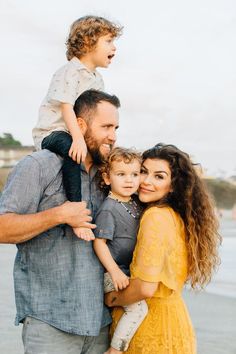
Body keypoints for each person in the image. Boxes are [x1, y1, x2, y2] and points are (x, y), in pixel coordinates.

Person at [0, 89, 120, 354]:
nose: (112, 135)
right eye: (106, 127)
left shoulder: (110, 176)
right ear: (80, 125)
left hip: (100, 325)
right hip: (50, 323)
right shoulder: (38, 166)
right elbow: (2, 228)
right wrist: (59, 215)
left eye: (116, 127)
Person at [105, 143, 221, 354]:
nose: (146, 181)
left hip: (150, 329)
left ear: (174, 185)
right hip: (175, 322)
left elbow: (145, 288)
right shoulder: (177, 216)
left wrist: (112, 299)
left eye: (159, 176)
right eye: (143, 172)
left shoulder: (155, 217)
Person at [32, 16, 122, 240]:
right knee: (74, 152)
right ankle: (75, 211)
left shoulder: (97, 79)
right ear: (89, 42)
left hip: (77, 131)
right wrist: (78, 138)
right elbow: (66, 107)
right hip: (52, 131)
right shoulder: (69, 71)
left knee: (106, 156)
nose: (114, 47)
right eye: (109, 41)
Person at [93, 147, 148, 353]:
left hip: (128, 270)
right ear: (107, 178)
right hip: (113, 272)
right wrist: (114, 272)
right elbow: (99, 243)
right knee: (138, 309)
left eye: (135, 174)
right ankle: (115, 349)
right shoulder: (109, 208)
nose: (129, 180)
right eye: (121, 174)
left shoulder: (135, 203)